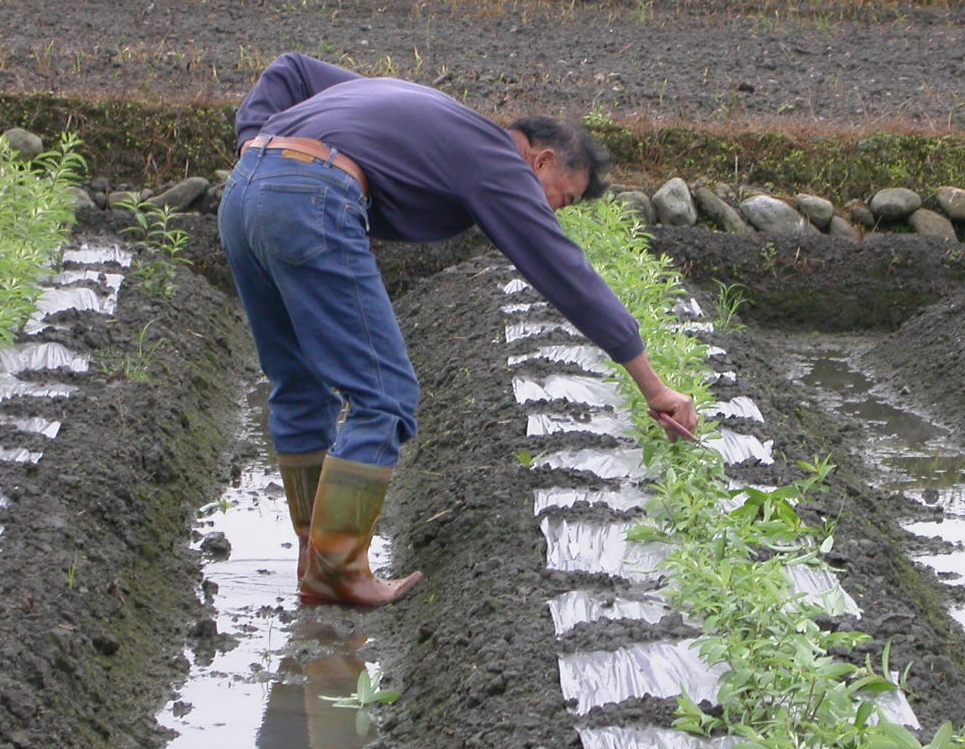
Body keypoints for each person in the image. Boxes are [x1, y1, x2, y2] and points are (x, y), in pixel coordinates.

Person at [220, 53, 699, 609]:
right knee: (385, 397)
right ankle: (335, 572)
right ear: (540, 160)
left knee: (299, 385)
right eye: (560, 199)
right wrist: (653, 385)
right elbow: (562, 270)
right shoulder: (495, 158)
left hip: (245, 192)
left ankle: (320, 561)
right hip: (311, 199)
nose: (551, 212)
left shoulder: (424, 113)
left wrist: (257, 145)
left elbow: (292, 70)